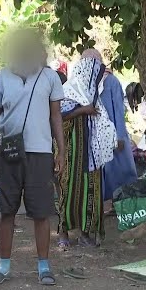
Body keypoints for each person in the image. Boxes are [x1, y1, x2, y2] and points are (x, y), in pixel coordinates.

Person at [0, 29, 65, 287]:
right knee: (6, 211)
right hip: (8, 153)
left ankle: (44, 267)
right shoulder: (3, 77)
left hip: (40, 154)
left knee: (41, 212)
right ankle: (3, 266)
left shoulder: (50, 77)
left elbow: (55, 117)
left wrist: (61, 151)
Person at [56, 55, 117, 249]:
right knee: (68, 191)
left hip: (91, 155)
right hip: (70, 154)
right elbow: (58, 117)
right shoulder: (67, 92)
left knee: (90, 192)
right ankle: (63, 233)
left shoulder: (93, 98)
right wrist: (83, 111)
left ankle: (84, 233)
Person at [81, 49, 137, 204]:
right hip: (95, 137)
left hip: (113, 134)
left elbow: (118, 111)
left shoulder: (111, 82)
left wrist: (119, 137)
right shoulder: (85, 83)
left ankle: (125, 204)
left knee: (120, 171)